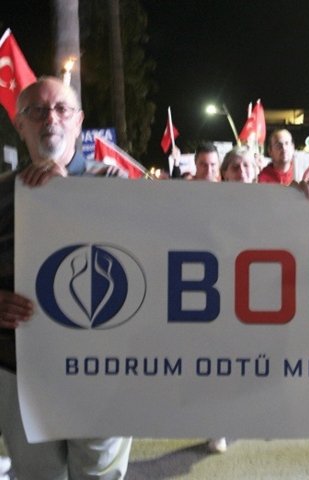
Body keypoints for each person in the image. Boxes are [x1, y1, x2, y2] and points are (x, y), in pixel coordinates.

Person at [0, 76, 132, 479]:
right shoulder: (1, 192)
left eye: (61, 109)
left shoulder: (115, 185)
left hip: (102, 364)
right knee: (36, 474)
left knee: (100, 473)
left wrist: (293, 209)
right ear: (20, 124)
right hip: (18, 366)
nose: (50, 118)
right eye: (37, 111)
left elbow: (150, 255)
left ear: (79, 122)